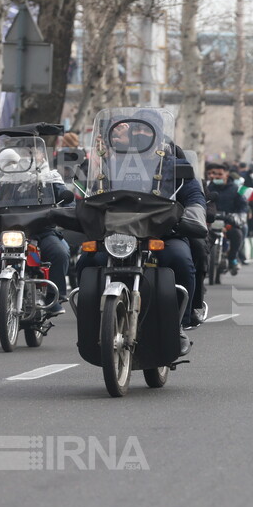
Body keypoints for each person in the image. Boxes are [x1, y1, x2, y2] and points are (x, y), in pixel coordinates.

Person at [77, 110, 207, 354]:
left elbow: (193, 195)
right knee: (86, 260)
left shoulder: (173, 163)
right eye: (136, 130)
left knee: (179, 258)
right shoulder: (107, 161)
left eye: (147, 130)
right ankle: (90, 322)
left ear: (159, 135)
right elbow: (88, 192)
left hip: (162, 232)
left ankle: (179, 323)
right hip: (115, 234)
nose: (140, 134)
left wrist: (192, 213)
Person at [0, 148, 72, 321]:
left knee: (59, 252)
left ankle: (53, 297)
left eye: (33, 153)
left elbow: (68, 201)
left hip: (43, 231)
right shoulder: (4, 180)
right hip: (12, 231)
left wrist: (65, 209)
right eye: (26, 153)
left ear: (42, 155)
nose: (29, 157)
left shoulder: (51, 177)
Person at [206, 162, 247, 273]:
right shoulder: (208, 188)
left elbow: (243, 207)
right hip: (211, 222)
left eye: (220, 174)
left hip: (229, 222)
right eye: (214, 174)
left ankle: (232, 258)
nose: (216, 176)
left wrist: (236, 218)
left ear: (226, 175)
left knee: (237, 234)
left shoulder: (236, 189)